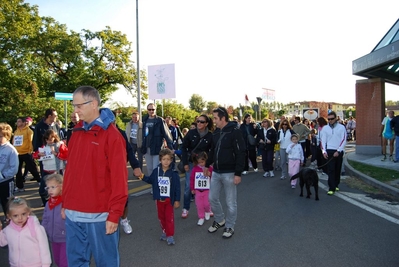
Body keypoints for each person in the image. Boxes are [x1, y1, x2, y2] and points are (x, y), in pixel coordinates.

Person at [62, 86, 128, 266]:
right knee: (75, 262)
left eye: (78, 106)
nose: (75, 111)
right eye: (74, 105)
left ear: (94, 104)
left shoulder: (112, 136)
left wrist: (114, 214)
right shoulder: (76, 131)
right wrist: (65, 203)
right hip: (73, 214)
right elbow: (70, 171)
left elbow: (119, 179)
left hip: (99, 217)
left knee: (106, 262)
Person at [204, 107, 246, 239]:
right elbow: (212, 150)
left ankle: (229, 226)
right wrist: (207, 165)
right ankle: (220, 219)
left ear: (223, 118)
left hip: (230, 172)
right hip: (216, 171)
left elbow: (241, 153)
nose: (214, 121)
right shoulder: (216, 132)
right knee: (212, 198)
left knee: (230, 203)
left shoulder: (235, 132)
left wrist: (238, 173)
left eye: (216, 118)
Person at [137, 148, 181, 245]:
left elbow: (177, 188)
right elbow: (150, 180)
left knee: (169, 217)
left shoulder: (173, 173)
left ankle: (170, 235)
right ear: (160, 160)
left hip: (169, 200)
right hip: (159, 199)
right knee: (161, 217)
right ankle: (164, 231)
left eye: (168, 159)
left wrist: (177, 200)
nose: (166, 161)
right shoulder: (156, 171)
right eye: (164, 159)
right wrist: (142, 176)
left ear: (171, 160)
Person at [0, 196, 52, 267]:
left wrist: (46, 264)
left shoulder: (36, 228)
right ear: (9, 216)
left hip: (35, 264)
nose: (20, 218)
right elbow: (2, 242)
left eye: (23, 214)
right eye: (15, 216)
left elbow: (44, 247)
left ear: (28, 213)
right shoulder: (8, 229)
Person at [181, 114, 213, 218]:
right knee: (187, 187)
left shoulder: (210, 136)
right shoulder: (191, 133)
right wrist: (185, 163)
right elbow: (183, 148)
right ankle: (185, 208)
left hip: (203, 165)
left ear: (206, 124)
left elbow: (212, 151)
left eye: (202, 122)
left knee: (206, 187)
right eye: (198, 121)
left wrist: (208, 165)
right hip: (191, 163)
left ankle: (208, 208)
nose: (199, 123)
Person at [33, 108, 60, 206]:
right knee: (45, 184)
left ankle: (55, 202)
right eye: (55, 115)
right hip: (45, 160)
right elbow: (36, 142)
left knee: (57, 183)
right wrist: (38, 152)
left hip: (56, 161)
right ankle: (46, 203)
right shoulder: (39, 126)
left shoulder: (56, 125)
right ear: (49, 116)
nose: (56, 117)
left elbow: (59, 140)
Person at [41, 173, 67, 267]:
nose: (50, 190)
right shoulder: (48, 204)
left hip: (65, 238)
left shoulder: (65, 203)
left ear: (61, 186)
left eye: (53, 187)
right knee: (57, 261)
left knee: (65, 263)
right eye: (48, 188)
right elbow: (45, 218)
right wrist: (42, 231)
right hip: (53, 238)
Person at [141, 103, 174, 176]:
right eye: (149, 109)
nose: (151, 111)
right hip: (147, 148)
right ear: (147, 110)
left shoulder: (160, 120)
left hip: (157, 148)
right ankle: (153, 184)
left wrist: (170, 147)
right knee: (149, 169)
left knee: (156, 168)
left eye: (153, 109)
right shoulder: (144, 119)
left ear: (155, 110)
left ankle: (157, 184)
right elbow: (142, 134)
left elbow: (166, 133)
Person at [320, 111, 347, 195]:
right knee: (331, 169)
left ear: (335, 118)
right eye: (328, 119)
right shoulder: (325, 128)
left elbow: (344, 140)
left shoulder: (341, 127)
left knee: (337, 169)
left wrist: (338, 150)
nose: (330, 120)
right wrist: (324, 151)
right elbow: (323, 141)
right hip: (329, 150)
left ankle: (336, 184)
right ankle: (331, 187)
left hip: (338, 151)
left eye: (332, 119)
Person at [13, 117, 41, 193]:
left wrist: (30, 151)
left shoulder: (29, 131)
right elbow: (14, 141)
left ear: (23, 122)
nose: (17, 123)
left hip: (26, 152)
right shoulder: (16, 131)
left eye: (19, 121)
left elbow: (30, 141)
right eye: (17, 121)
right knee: (18, 171)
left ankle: (39, 181)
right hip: (18, 153)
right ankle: (19, 186)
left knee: (32, 168)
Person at [0, 123, 19, 220]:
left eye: (1, 136)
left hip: (6, 182)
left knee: (7, 204)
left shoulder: (11, 150)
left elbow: (14, 169)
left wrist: (2, 175)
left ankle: (10, 221)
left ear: (7, 136)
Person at [190, 151, 213, 226]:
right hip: (198, 190)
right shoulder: (195, 169)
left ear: (206, 161)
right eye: (199, 162)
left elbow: (214, 178)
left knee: (206, 203)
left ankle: (208, 211)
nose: (201, 164)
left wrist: (210, 175)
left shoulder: (210, 168)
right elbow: (192, 179)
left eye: (202, 162)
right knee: (199, 205)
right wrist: (192, 188)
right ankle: (201, 217)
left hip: (207, 190)